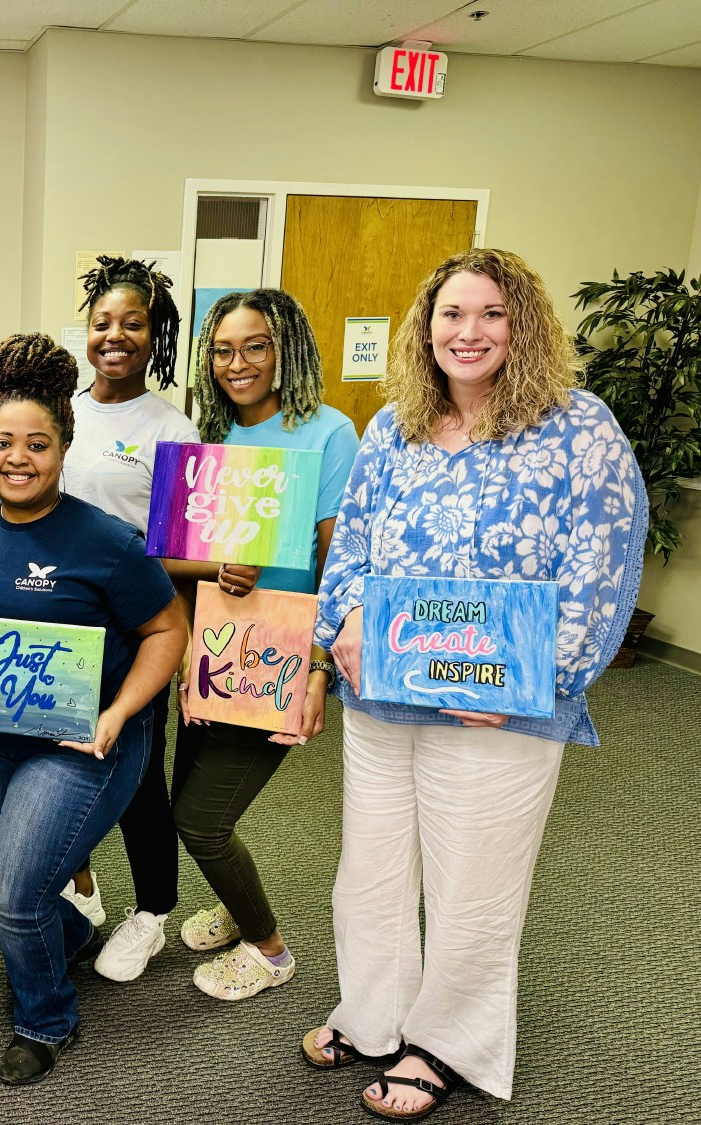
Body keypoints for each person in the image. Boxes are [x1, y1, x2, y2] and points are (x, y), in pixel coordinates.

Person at [304, 249, 645, 1120]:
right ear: (426, 326)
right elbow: (353, 548)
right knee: (370, 870)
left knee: (474, 881)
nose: (469, 331)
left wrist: (539, 678)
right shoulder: (393, 428)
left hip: (501, 706)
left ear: (522, 325)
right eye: (452, 313)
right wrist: (340, 621)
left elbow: (603, 565)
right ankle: (375, 1015)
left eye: (491, 313)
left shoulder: (580, 427)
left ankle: (445, 1044)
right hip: (385, 690)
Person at [0, 333, 188, 1084]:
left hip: (87, 740)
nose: (18, 457)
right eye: (4, 441)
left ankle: (47, 1018)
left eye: (37, 444)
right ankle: (69, 928)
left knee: (13, 895)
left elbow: (167, 629)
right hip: (1, 735)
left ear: (64, 446)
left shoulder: (106, 541)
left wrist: (119, 715)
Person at [172, 289, 359, 1001]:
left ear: (286, 350)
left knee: (202, 818)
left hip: (277, 658)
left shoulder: (328, 433)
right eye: (222, 349)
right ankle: (236, 901)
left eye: (255, 346)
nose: (237, 362)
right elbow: (183, 557)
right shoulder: (213, 437)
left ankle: (270, 948)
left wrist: (316, 671)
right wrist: (192, 653)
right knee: (187, 803)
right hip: (212, 650)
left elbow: (338, 565)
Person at [57, 255, 200, 982]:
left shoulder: (172, 426)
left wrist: (134, 563)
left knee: (139, 775)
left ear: (156, 337)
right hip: (61, 623)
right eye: (103, 322)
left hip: (138, 628)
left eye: (133, 324)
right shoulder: (61, 410)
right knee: (57, 753)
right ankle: (80, 886)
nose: (115, 335)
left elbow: (179, 548)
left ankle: (152, 913)